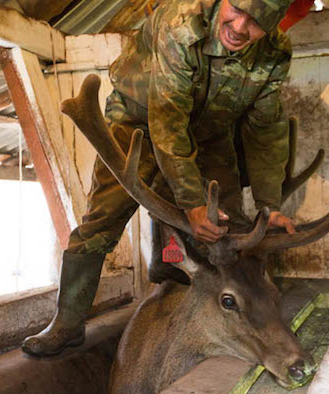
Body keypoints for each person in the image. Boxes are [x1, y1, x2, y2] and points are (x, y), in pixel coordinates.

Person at [22, 0, 300, 357]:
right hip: (137, 123)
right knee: (103, 219)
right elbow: (167, 123)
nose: (240, 27)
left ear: (275, 23)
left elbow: (265, 130)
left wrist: (270, 206)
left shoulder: (275, 53)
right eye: (237, 9)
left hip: (210, 133)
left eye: (257, 22)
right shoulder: (181, 22)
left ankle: (209, 315)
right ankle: (67, 322)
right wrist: (193, 205)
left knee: (230, 230)